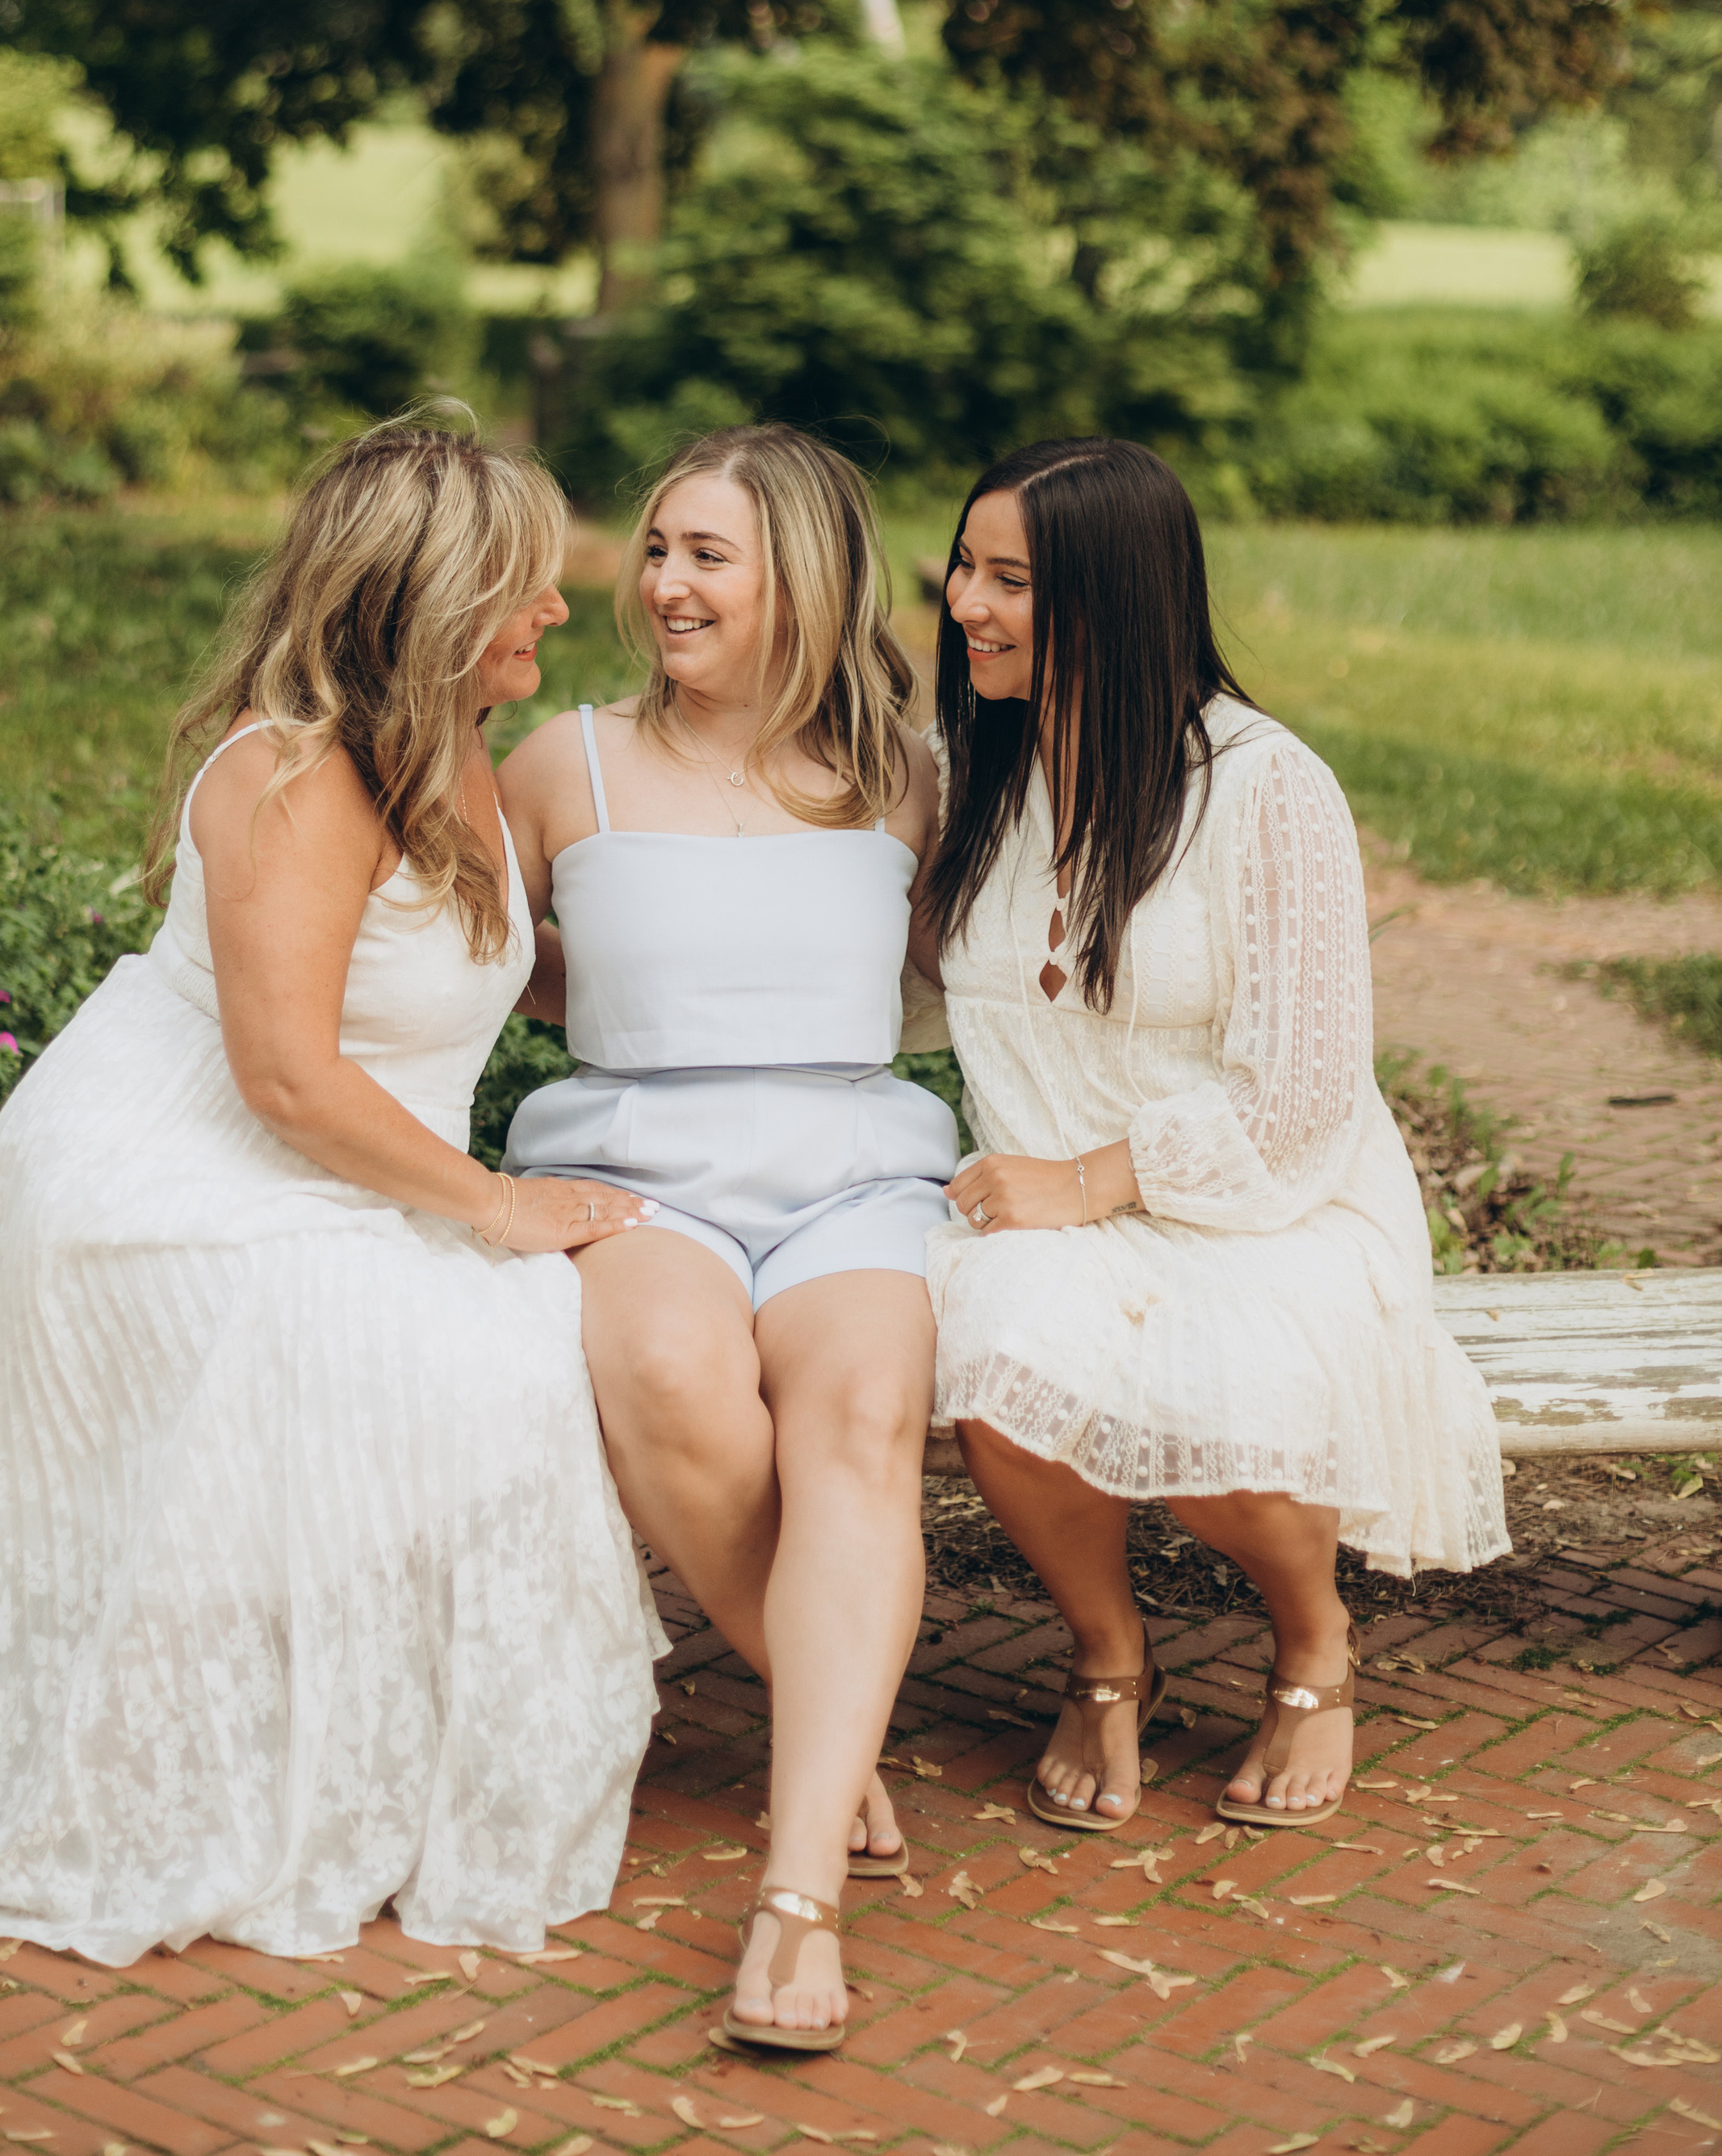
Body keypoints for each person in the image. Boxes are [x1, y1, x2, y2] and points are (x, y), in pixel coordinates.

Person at [0, 421, 662, 1965]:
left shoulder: (465, 742)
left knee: (488, 1360)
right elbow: (290, 1077)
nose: (560, 611)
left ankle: (361, 1737)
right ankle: (235, 1762)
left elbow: (476, 975)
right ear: (437, 599)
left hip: (347, 1160)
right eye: (527, 584)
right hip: (173, 1174)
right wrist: (499, 1209)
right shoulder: (295, 776)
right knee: (415, 1350)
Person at [915, 437, 1507, 1836]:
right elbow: (900, 972)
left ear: (1115, 605)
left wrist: (1091, 1182)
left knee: (1234, 1399)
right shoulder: (973, 771)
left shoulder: (1263, 787)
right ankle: (1108, 1653)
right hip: (1050, 1201)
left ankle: (1314, 1639)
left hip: (1271, 1202)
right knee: (994, 1372)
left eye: (1011, 583)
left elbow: (1301, 1094)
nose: (966, 607)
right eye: (965, 567)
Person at [497, 424, 953, 2058]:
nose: (663, 583)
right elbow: (480, 957)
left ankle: (792, 1900)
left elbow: (938, 971)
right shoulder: (566, 765)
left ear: (801, 584)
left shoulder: (906, 771)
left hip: (850, 1165)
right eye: (659, 546)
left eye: (709, 556)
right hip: (637, 1166)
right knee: (678, 1380)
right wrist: (620, 1005)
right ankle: (838, 1734)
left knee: (858, 1422)